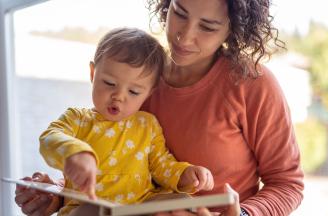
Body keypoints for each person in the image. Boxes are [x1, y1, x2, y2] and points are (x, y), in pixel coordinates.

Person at [15, 0, 304, 215]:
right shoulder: (138, 78)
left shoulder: (253, 85)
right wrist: (53, 193)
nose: (184, 35)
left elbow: (288, 184)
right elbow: (113, 165)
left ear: (232, 30)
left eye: (207, 26)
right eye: (179, 12)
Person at [33, 27, 215, 216]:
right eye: (109, 83)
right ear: (93, 73)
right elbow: (49, 138)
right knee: (89, 212)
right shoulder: (77, 119)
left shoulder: (148, 124)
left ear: (148, 93)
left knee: (182, 202)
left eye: (134, 92)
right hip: (89, 204)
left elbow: (162, 164)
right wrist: (74, 153)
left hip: (142, 205)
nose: (118, 96)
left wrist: (184, 175)